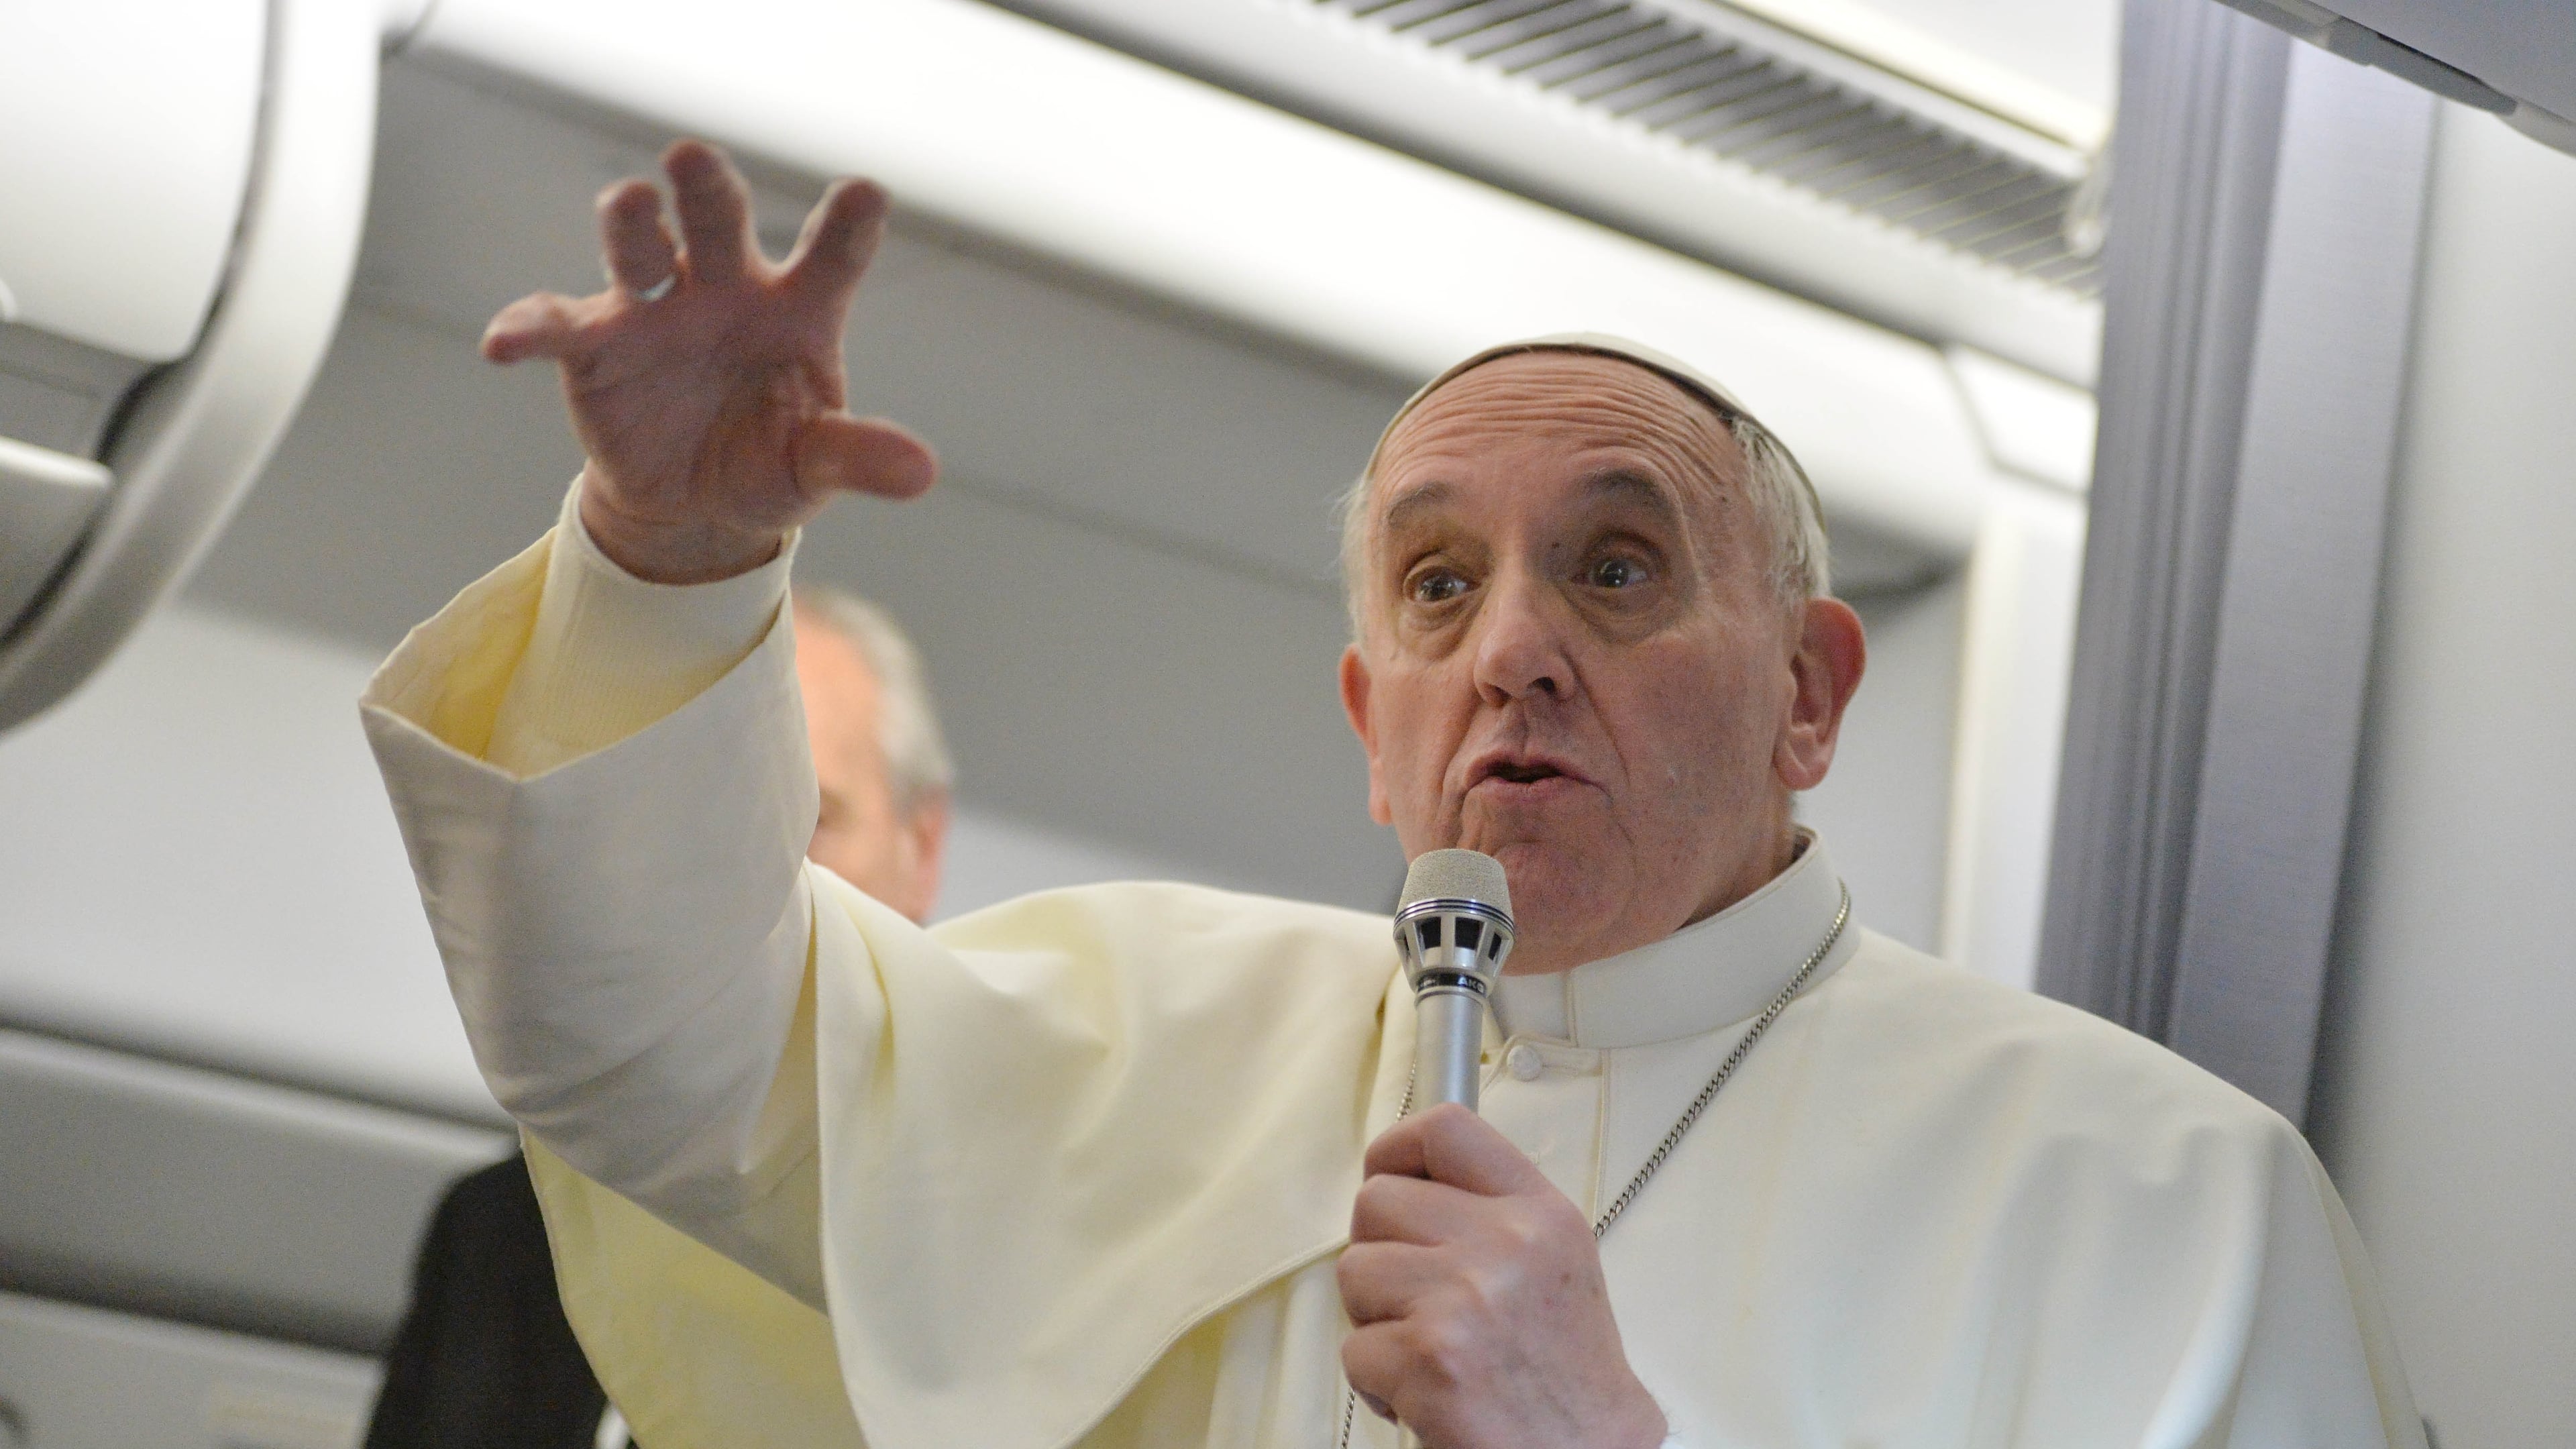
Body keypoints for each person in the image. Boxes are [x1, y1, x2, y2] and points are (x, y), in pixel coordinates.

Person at [360, 140, 2424, 1448]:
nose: (1512, 647)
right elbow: (648, 1051)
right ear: (1374, 718)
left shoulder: (2163, 1205)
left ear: (1808, 692)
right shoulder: (1141, 1024)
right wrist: (668, 564)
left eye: (1615, 567)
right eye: (1440, 584)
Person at [363, 582, 953, 1449]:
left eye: (813, 816)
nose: (759, 878)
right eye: (708, 825)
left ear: (921, 849)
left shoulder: (986, 1244)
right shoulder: (503, 1234)